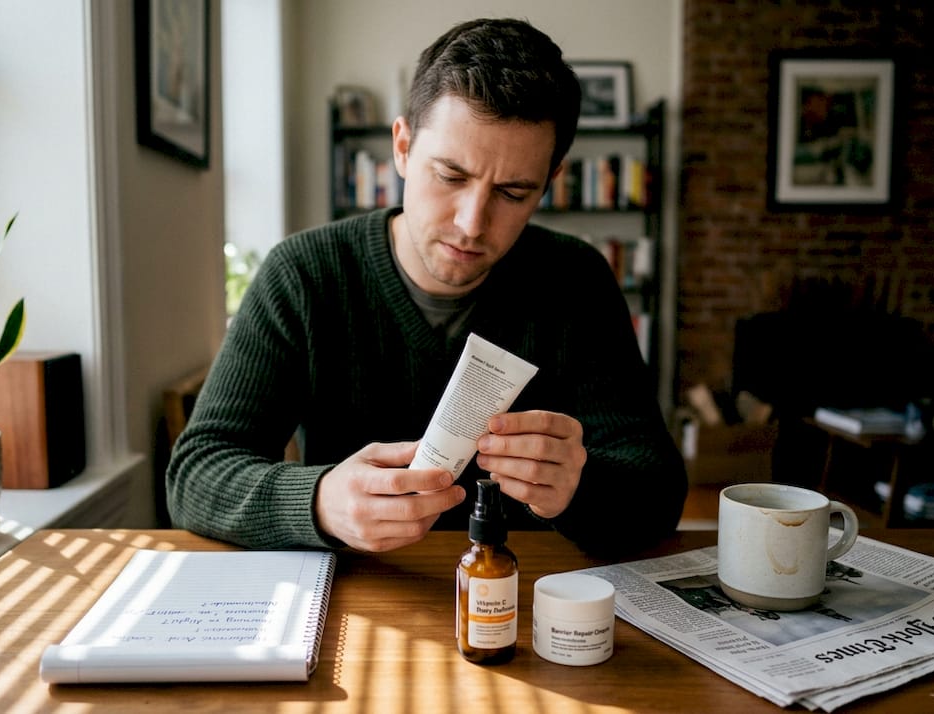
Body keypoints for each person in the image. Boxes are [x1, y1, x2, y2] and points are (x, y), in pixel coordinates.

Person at [166, 17, 687, 558]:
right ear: (402, 147)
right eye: (451, 176)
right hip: (360, 591)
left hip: (521, 589)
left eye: (513, 193)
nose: (471, 223)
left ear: (550, 183)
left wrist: (579, 488)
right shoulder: (304, 274)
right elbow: (196, 474)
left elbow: (659, 491)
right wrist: (318, 501)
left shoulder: (575, 279)